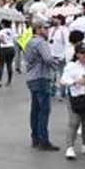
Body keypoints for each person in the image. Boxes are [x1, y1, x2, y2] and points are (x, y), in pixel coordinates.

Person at [24, 19, 63, 151]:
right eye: (46, 29)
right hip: (41, 77)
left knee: (35, 109)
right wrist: (57, 64)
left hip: (31, 77)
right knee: (44, 110)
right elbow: (48, 59)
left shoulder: (29, 42)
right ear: (39, 29)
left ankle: (35, 137)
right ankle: (43, 140)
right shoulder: (41, 42)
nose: (48, 31)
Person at [60, 42, 85, 160]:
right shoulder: (71, 66)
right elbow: (63, 80)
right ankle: (70, 147)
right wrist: (75, 82)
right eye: (82, 53)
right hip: (74, 97)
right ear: (77, 54)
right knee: (74, 122)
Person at [0, 20, 17, 87]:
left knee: (0, 65)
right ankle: (9, 81)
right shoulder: (12, 31)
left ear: (3, 24)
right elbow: (15, 38)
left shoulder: (1, 31)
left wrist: (3, 40)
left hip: (3, 48)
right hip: (11, 48)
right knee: (9, 64)